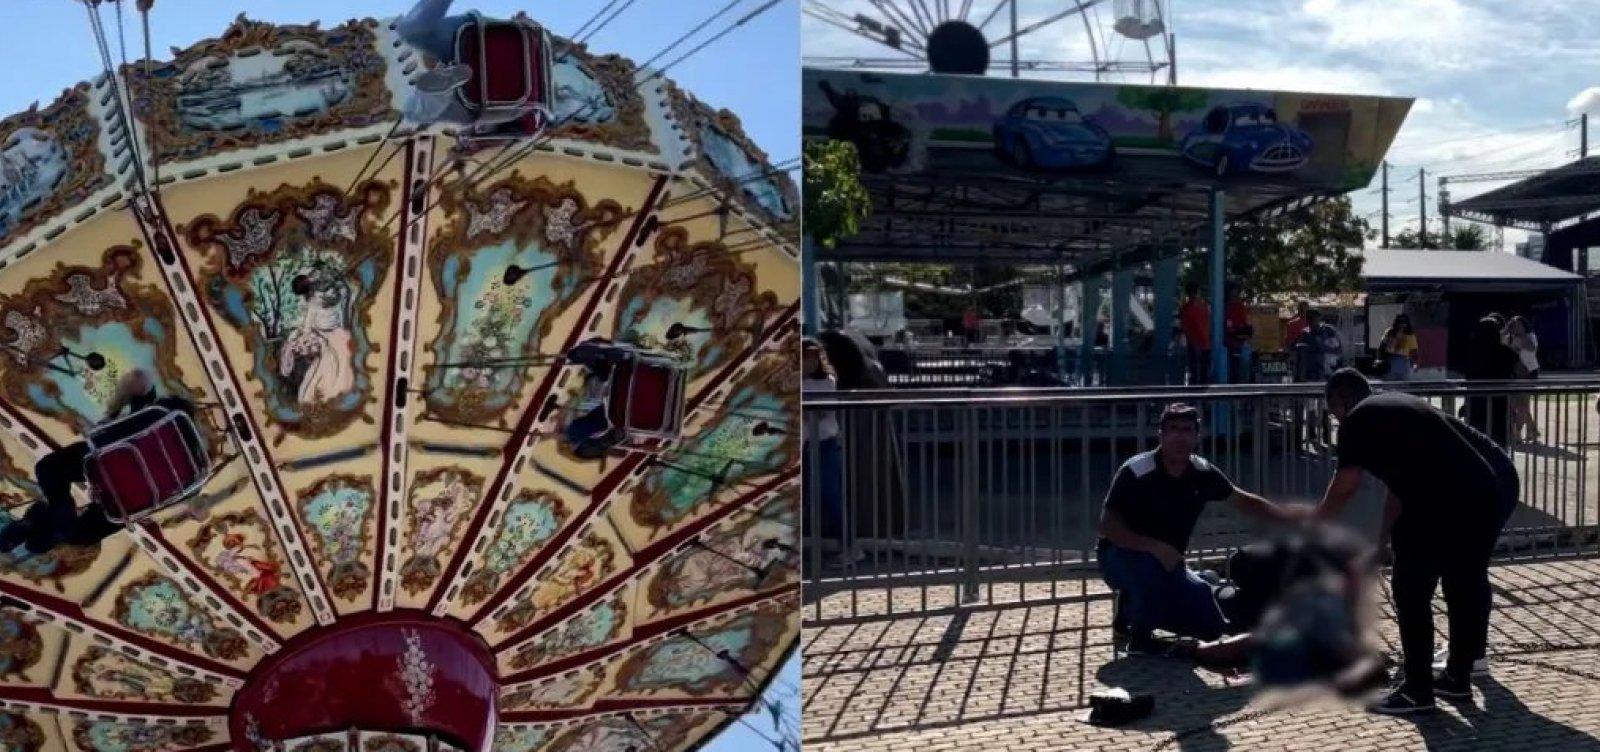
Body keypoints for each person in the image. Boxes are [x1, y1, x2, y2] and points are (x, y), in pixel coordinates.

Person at [1305, 369, 1518, 714]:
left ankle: (1417, 690)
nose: (1336, 421)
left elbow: (1346, 484)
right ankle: (1457, 680)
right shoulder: (1399, 408)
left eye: (1333, 413)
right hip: (1482, 495)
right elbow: (1397, 489)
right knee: (1461, 584)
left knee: (1411, 590)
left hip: (1440, 503)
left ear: (1340, 401)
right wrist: (1382, 541)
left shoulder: (1358, 421)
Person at [1098, 403, 1303, 655]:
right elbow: (1107, 526)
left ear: (1197, 436)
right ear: (1160, 435)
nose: (1179, 437)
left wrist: (1287, 518)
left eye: (1186, 430)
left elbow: (1242, 500)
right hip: (1121, 554)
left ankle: (1141, 603)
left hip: (1170, 562)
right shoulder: (1137, 471)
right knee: (1148, 574)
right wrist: (1153, 547)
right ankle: (1139, 638)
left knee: (1211, 628)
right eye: (1172, 429)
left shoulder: (1202, 472)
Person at [0, 370, 197, 557]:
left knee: (55, 470)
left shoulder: (153, 416)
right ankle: (52, 525)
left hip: (113, 472)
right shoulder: (190, 466)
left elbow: (138, 378)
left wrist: (113, 411)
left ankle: (52, 518)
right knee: (53, 475)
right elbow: (190, 500)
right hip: (123, 492)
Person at [396, 0, 551, 135]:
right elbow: (525, 130)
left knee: (412, 31)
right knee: (414, 113)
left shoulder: (540, 46)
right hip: (499, 98)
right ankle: (438, 90)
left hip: (492, 37)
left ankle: (442, 87)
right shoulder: (536, 109)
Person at [802, 339, 857, 567]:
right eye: (805, 357)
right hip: (802, 444)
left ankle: (849, 547)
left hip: (825, 442)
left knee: (830, 494)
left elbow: (822, 411)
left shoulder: (826, 381)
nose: (809, 362)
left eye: (814, 357)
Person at [1461, 315, 1519, 448]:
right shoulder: (1504, 352)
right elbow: (1514, 366)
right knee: (1498, 442)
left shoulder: (1470, 352)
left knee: (1477, 439)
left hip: (1475, 401)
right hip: (1499, 402)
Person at [1504, 316, 1541, 442]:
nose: (1516, 327)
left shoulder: (1530, 337)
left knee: (1522, 406)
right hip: (1515, 374)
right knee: (1517, 405)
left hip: (1528, 374)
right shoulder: (1510, 338)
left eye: (1519, 325)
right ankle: (1532, 430)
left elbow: (1530, 349)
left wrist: (1517, 343)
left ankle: (1518, 433)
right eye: (1514, 325)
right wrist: (1506, 331)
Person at [1179, 284, 1212, 385]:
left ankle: (1199, 396)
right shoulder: (1196, 308)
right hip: (1198, 344)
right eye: (1198, 292)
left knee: (1200, 371)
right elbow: (1187, 328)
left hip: (1201, 344)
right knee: (1198, 371)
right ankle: (1198, 396)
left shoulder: (1198, 308)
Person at [1377, 313, 1420, 381]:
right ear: (1396, 323)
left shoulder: (1410, 335)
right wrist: (1380, 359)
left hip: (1403, 361)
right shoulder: (1390, 333)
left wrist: (1415, 363)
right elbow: (1382, 346)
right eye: (1400, 323)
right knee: (1389, 382)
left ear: (1407, 324)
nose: (1402, 325)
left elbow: (1414, 351)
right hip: (1390, 360)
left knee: (1402, 382)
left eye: (1404, 323)